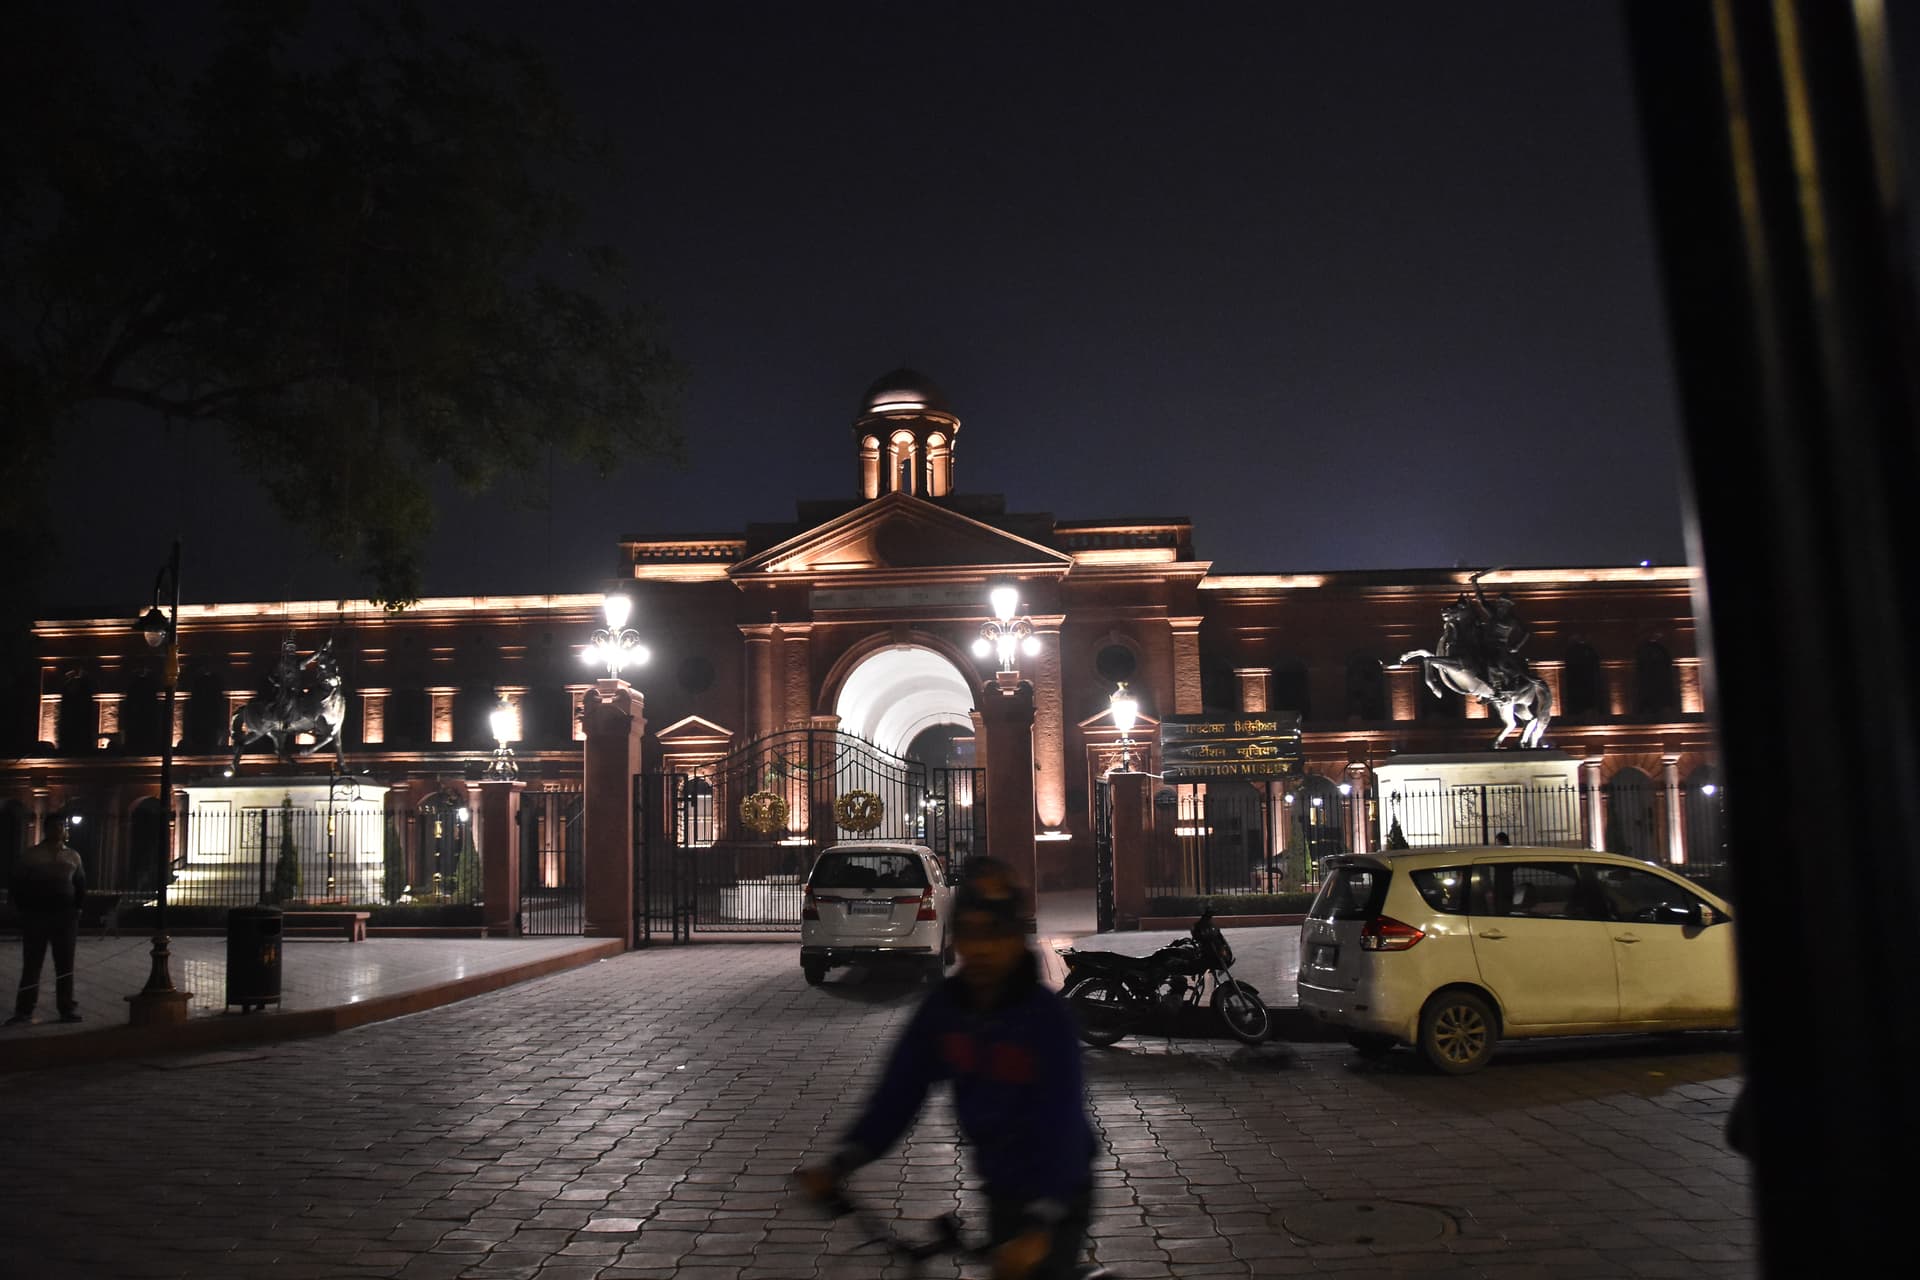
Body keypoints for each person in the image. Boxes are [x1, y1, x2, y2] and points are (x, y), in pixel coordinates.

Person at [797, 859, 1097, 1279]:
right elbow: (898, 1094)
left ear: (1016, 939)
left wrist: (1041, 1225)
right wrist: (844, 1161)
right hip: (1000, 1185)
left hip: (1058, 1191)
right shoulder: (945, 1011)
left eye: (996, 935)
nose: (983, 950)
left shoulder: (1045, 1019)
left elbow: (1061, 1124)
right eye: (972, 934)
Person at [7, 822, 89, 1026]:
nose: (58, 831)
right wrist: (22, 909)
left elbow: (80, 884)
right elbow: (17, 884)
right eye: (55, 827)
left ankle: (66, 1007)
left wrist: (78, 908)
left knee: (65, 965)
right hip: (36, 914)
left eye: (60, 827)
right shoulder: (32, 855)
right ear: (47, 830)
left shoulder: (73, 856)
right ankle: (24, 1009)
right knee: (32, 964)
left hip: (65, 915)